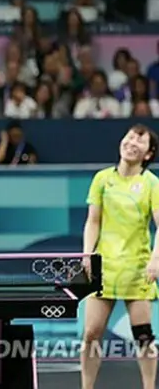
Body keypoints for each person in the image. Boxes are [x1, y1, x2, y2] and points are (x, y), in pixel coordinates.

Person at [81, 124, 159, 389]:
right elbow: (93, 222)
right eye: (129, 137)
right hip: (104, 268)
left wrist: (155, 260)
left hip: (137, 269)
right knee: (91, 334)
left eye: (140, 140)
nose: (132, 142)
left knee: (144, 336)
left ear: (148, 153)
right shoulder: (102, 179)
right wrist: (88, 255)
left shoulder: (151, 183)